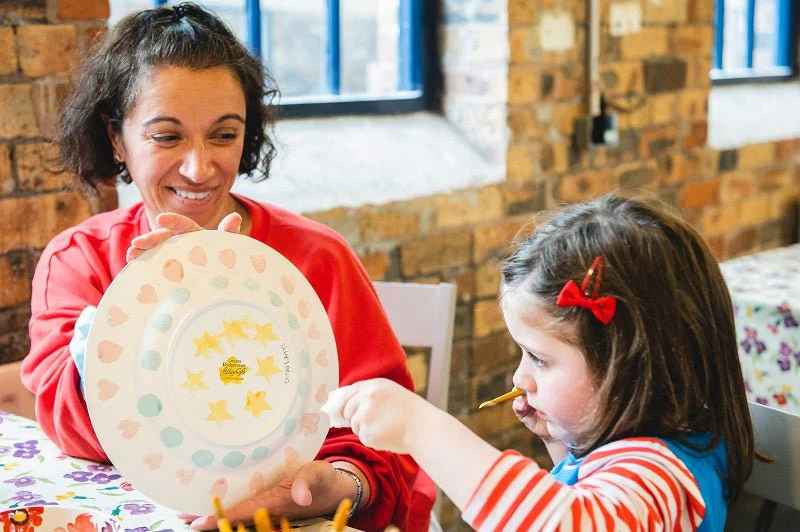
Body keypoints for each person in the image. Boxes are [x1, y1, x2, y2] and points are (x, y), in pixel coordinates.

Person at [20, 3, 432, 530]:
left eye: (223, 135)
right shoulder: (78, 260)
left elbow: (393, 447)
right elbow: (67, 426)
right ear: (117, 139)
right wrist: (131, 312)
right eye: (167, 136)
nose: (199, 167)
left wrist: (341, 483)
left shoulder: (315, 259)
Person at [324, 193, 760, 530]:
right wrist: (561, 443)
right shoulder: (638, 452)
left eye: (539, 358)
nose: (520, 376)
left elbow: (564, 523)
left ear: (630, 363)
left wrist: (420, 428)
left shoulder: (662, 475)